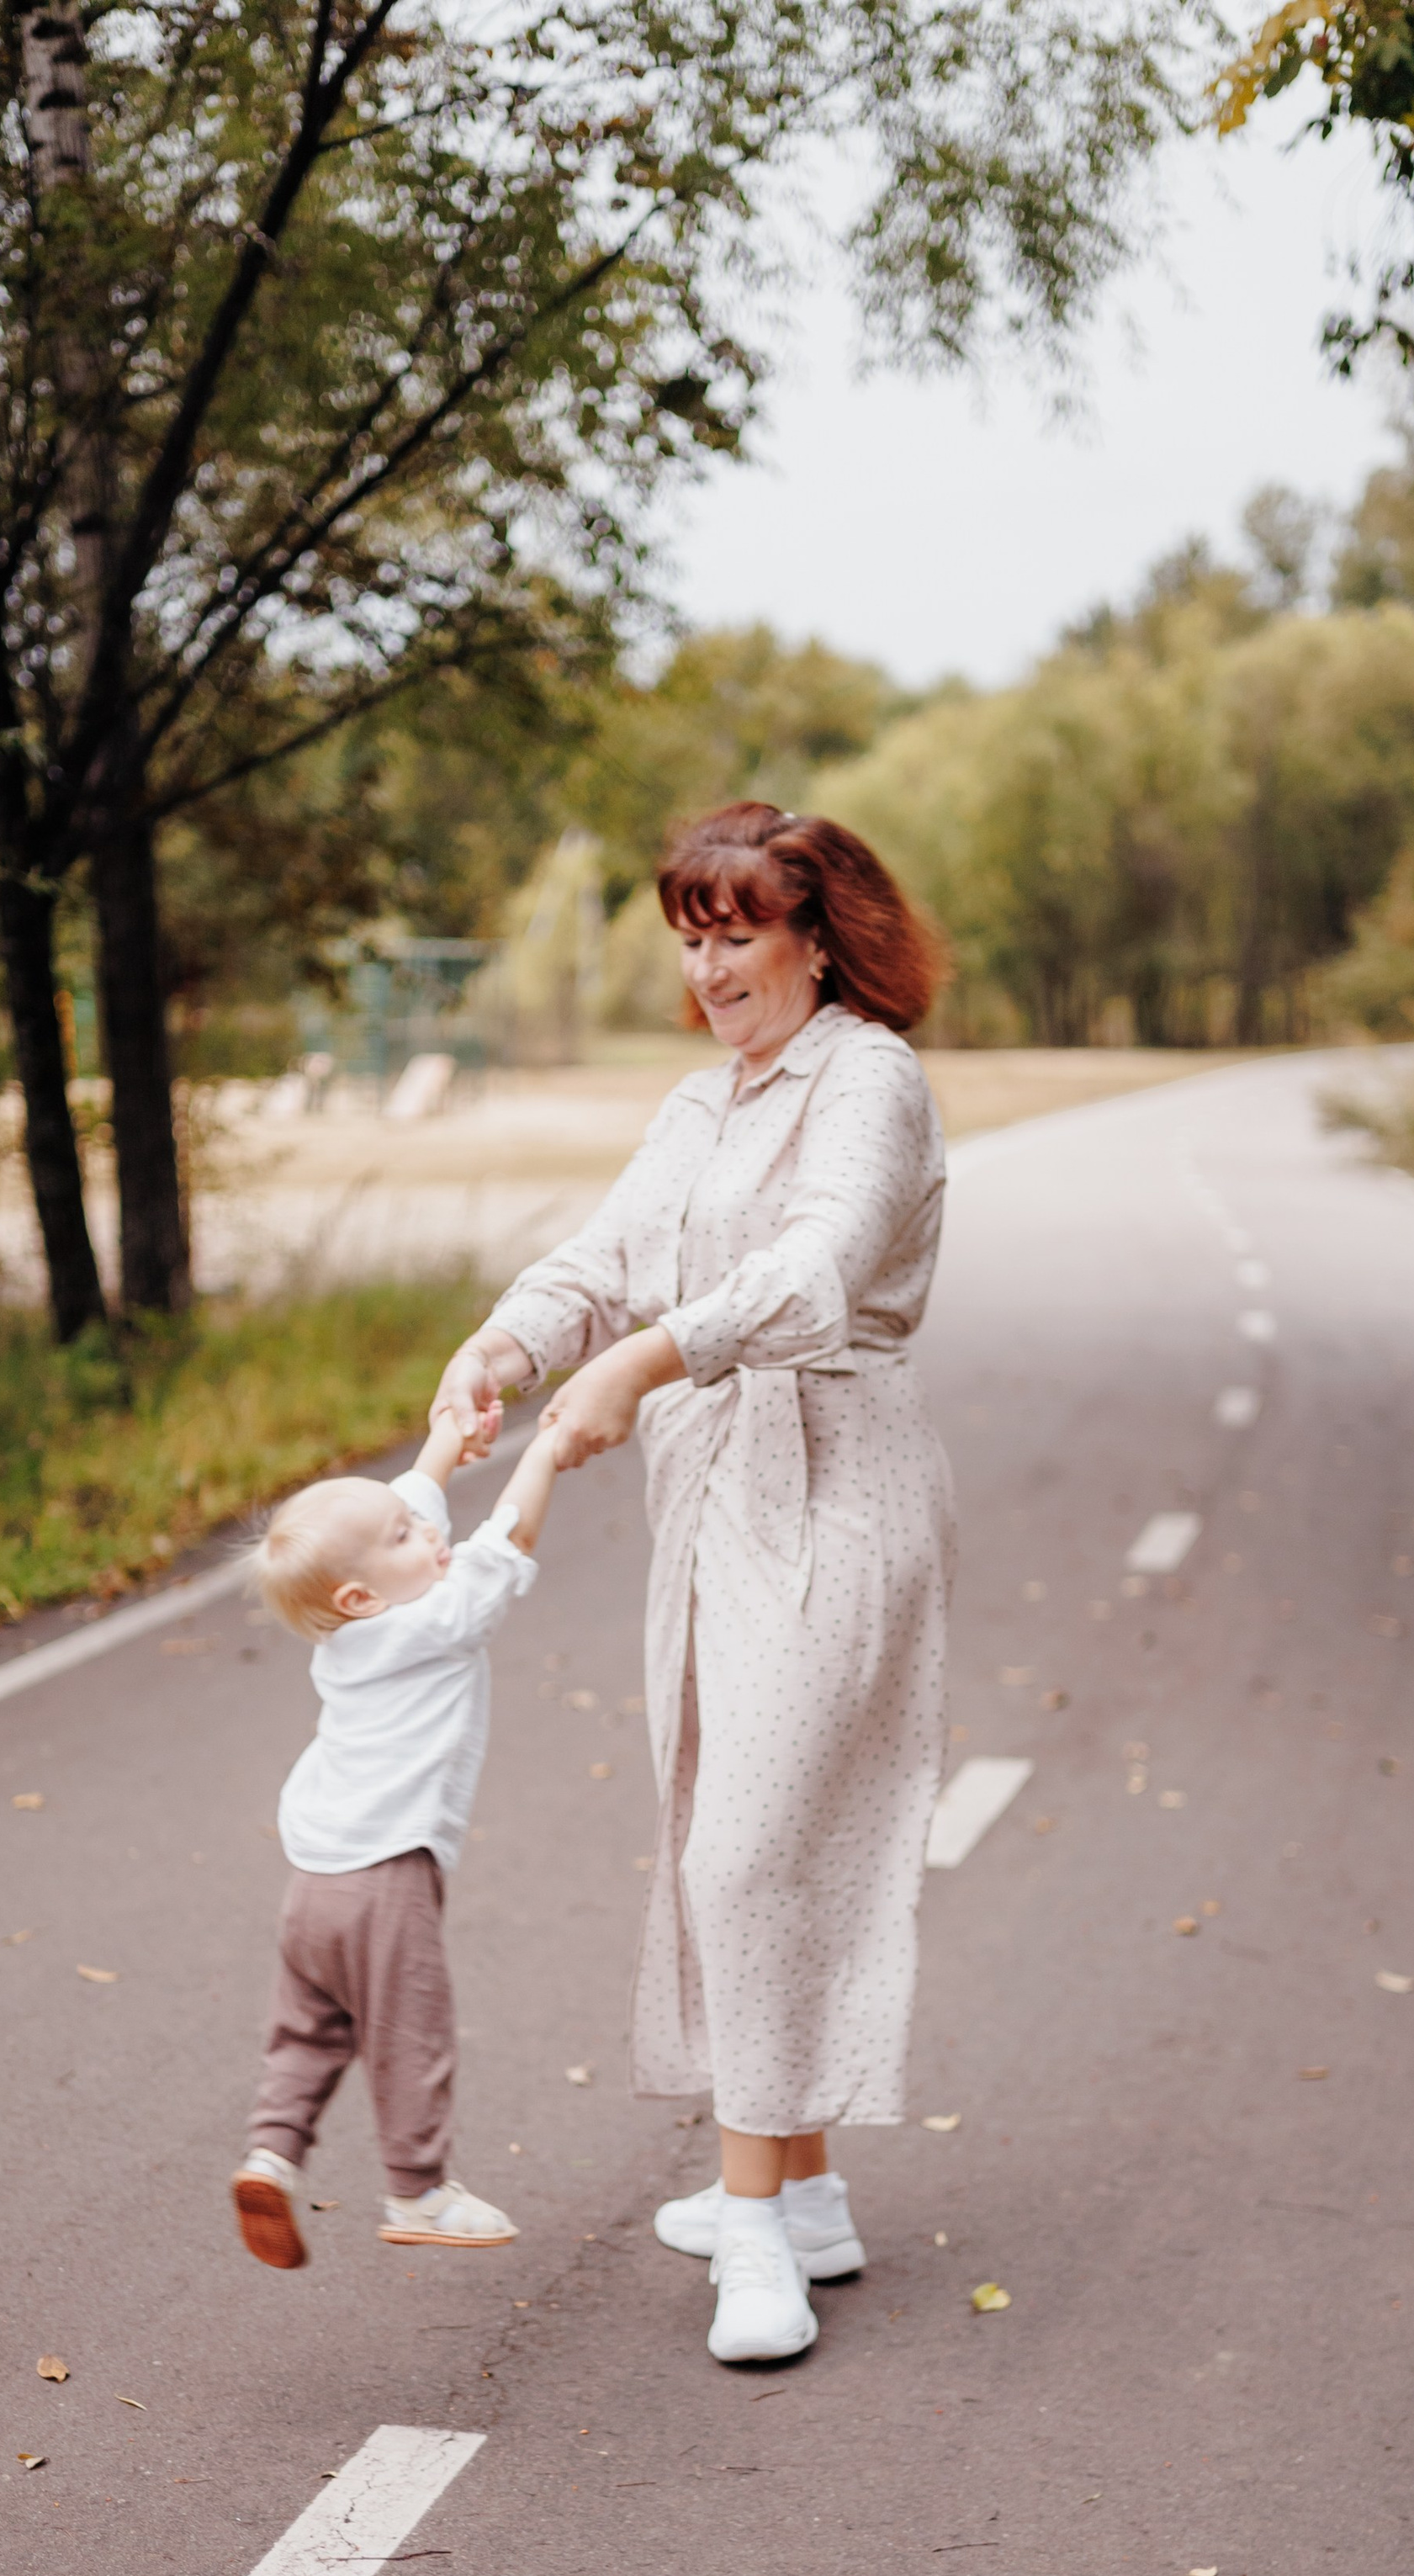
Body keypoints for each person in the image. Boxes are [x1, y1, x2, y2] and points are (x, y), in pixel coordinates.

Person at [429, 801, 953, 2365]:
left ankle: (752, 2233)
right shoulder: (700, 1103)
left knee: (749, 1850)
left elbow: (813, 1267)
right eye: (690, 939)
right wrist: (505, 1349)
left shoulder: (870, 1080)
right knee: (733, 1824)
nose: (708, 970)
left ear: (819, 939)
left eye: (738, 937)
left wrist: (651, 1360)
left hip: (839, 1481)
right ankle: (807, 2195)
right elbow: (603, 1261)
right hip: (713, 1489)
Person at [234, 1412, 563, 2265]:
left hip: (313, 1884)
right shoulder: (436, 1619)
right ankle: (417, 2191)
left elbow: (405, 1512)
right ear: (359, 1594)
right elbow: (507, 1543)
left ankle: (271, 2155)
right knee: (409, 2032)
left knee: (309, 2029)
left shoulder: (353, 1631)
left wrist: (446, 1443)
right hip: (385, 1880)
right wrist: (548, 1449)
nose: (428, 1533)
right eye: (407, 1535)